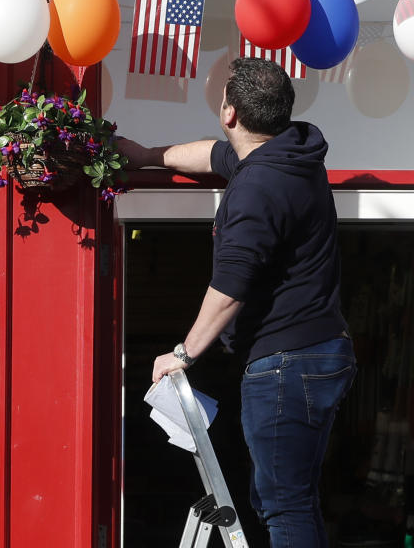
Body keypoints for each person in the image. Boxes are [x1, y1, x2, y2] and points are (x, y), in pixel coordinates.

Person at [119, 57, 357, 548]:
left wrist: (183, 354)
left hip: (286, 364)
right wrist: (146, 156)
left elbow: (229, 289)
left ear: (230, 112)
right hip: (317, 353)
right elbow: (213, 155)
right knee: (292, 497)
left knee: (283, 505)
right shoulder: (289, 153)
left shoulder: (258, 188)